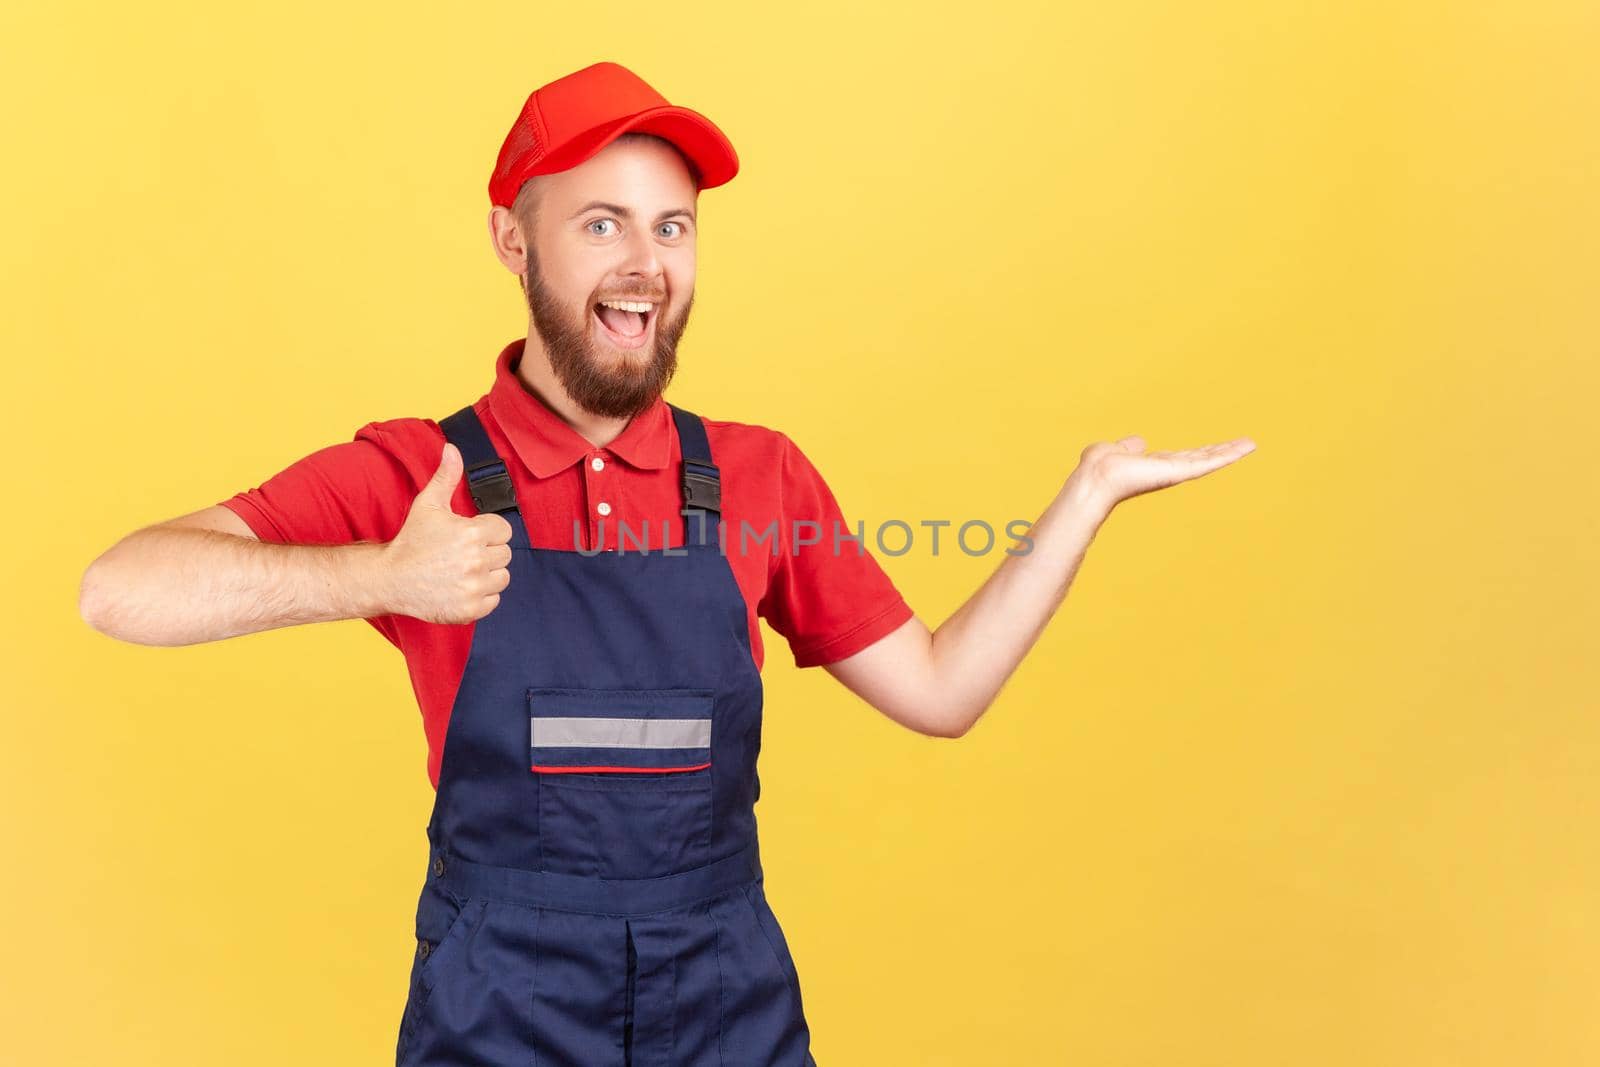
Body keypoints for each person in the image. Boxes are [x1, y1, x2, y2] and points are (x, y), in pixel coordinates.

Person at [78, 60, 1256, 1067]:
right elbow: (121, 588)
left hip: (725, 998)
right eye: (601, 223)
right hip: (502, 1006)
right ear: (511, 238)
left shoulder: (759, 478)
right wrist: (382, 577)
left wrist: (1082, 502)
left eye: (671, 225)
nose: (645, 264)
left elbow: (942, 692)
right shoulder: (420, 474)